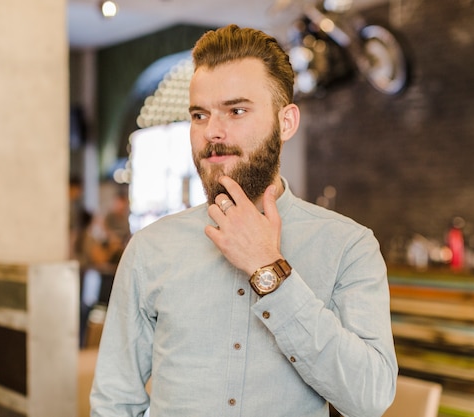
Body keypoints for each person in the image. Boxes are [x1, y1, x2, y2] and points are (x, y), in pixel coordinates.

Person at [90, 24, 397, 417]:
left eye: (236, 110)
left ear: (285, 122)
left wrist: (269, 269)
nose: (212, 132)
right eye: (200, 115)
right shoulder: (150, 249)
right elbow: (115, 403)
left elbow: (369, 399)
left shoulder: (348, 247)